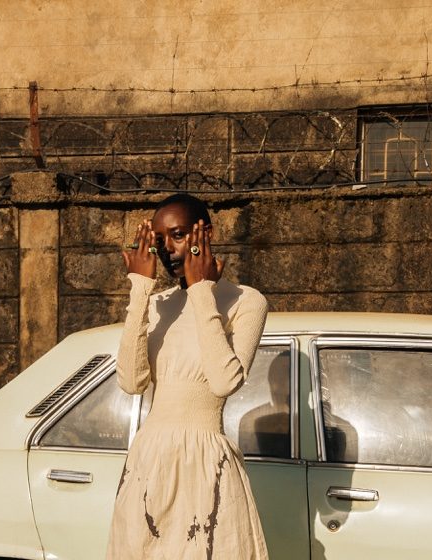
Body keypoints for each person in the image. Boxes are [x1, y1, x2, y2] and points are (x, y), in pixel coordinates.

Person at [106, 193, 269, 559]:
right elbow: (132, 382)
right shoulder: (157, 304)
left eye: (178, 235)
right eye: (159, 240)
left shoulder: (246, 301)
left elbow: (224, 382)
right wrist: (140, 288)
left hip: (205, 462)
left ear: (205, 233)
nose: (168, 249)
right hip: (149, 460)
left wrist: (200, 290)